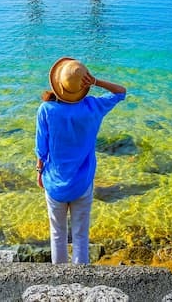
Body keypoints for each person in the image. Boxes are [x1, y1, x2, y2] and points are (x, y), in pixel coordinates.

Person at [35, 57, 127, 264]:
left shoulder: (46, 110)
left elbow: (41, 148)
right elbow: (121, 92)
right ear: (82, 86)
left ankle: (60, 279)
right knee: (80, 236)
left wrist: (39, 172)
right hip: (82, 183)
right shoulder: (94, 107)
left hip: (55, 183)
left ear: (58, 85)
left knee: (57, 234)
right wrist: (96, 82)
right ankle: (81, 280)